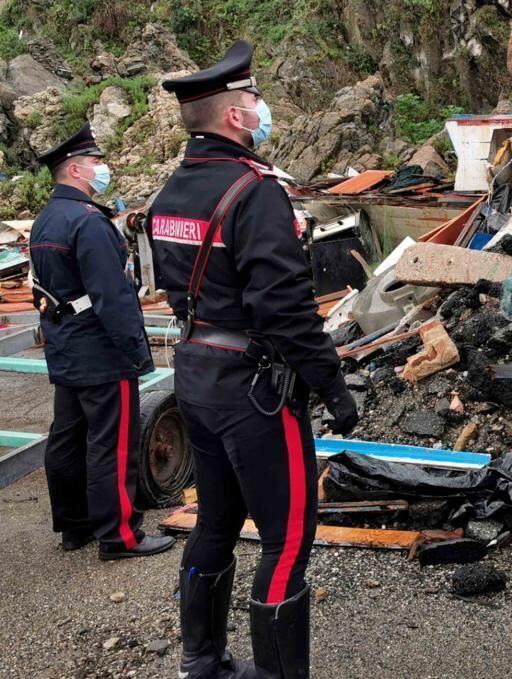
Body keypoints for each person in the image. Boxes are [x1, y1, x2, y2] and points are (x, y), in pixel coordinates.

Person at [150, 41, 359, 679]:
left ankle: (202, 662)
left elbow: (174, 286)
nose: (262, 110)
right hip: (254, 391)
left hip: (196, 375)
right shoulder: (256, 190)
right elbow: (285, 311)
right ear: (237, 117)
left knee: (216, 519)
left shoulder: (170, 191)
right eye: (255, 100)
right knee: (287, 537)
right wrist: (334, 389)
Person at [29, 123, 175, 560]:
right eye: (96, 162)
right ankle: (119, 535)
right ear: (75, 169)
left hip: (66, 344)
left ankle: (75, 526)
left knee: (68, 437)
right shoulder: (88, 222)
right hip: (99, 347)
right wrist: (135, 352)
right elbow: (113, 296)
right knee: (110, 442)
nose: (102, 168)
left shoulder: (46, 219)